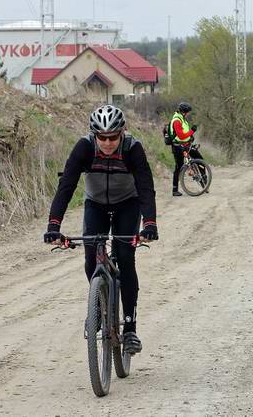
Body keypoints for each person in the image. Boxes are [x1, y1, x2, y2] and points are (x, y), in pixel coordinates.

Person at [43, 104, 158, 355]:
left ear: (122, 133)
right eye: (102, 137)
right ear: (94, 135)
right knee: (90, 255)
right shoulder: (84, 148)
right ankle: (97, 306)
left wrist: (149, 223)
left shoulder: (132, 149)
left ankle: (130, 329)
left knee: (126, 258)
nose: (107, 143)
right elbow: (66, 187)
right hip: (95, 203)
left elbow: (146, 187)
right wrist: (53, 226)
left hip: (128, 204)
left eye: (113, 137)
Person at [169, 102, 203, 197]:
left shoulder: (182, 119)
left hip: (185, 144)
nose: (188, 114)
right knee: (178, 167)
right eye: (187, 112)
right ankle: (174, 190)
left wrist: (190, 137)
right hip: (177, 146)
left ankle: (204, 184)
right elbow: (181, 135)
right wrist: (192, 131)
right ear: (184, 112)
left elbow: (185, 133)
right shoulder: (176, 120)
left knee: (199, 159)